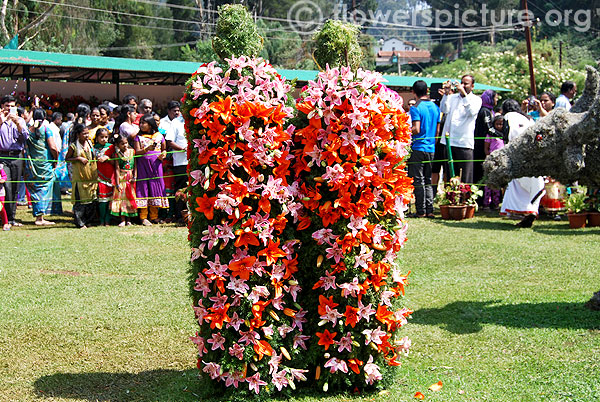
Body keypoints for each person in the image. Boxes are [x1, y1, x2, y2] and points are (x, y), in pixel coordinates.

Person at [498, 99, 545, 226]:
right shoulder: (528, 118)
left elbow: (507, 135)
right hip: (532, 154)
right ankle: (530, 211)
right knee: (530, 184)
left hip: (517, 154)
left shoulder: (508, 116)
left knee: (516, 184)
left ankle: (524, 211)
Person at [439, 75, 482, 184]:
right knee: (450, 175)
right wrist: (447, 94)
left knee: (465, 177)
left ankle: (465, 199)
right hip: (449, 142)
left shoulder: (476, 100)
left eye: (466, 84)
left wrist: (464, 95)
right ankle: (450, 199)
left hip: (464, 143)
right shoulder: (453, 98)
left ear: (472, 86)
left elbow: (471, 112)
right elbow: (444, 109)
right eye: (461, 83)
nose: (462, 85)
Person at [407, 81, 440, 218]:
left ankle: (420, 211)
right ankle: (429, 209)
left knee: (418, 179)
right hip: (431, 147)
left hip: (418, 147)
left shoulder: (415, 108)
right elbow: (437, 131)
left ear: (413, 92)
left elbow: (416, 128)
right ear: (426, 90)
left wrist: (404, 131)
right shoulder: (435, 107)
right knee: (428, 179)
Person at [23, 108, 59, 226]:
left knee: (35, 188)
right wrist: (55, 159)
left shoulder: (28, 130)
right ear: (44, 118)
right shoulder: (46, 129)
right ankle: (40, 218)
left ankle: (39, 215)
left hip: (32, 165)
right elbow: (53, 147)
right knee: (44, 188)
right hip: (44, 163)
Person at [133, 113, 168, 225]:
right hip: (143, 166)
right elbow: (136, 152)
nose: (141, 125)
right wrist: (146, 149)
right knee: (143, 188)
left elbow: (164, 149)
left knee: (155, 188)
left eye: (144, 123)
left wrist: (163, 154)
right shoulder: (138, 137)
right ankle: (143, 217)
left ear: (151, 124)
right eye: (140, 123)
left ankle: (154, 216)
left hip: (156, 166)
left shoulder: (159, 136)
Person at [0, 95, 29, 228]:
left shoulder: (20, 121)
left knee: (15, 188)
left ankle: (11, 218)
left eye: (12, 106)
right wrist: (2, 121)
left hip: (17, 156)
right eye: (7, 106)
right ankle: (4, 217)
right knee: (6, 186)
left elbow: (25, 137)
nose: (10, 109)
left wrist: (17, 123)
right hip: (3, 157)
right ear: (2, 107)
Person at [65, 124, 98, 228]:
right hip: (79, 177)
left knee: (91, 200)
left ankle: (89, 221)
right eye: (84, 134)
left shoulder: (90, 144)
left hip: (91, 176)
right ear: (78, 134)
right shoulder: (73, 146)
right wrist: (78, 159)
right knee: (80, 202)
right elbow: (67, 158)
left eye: (87, 133)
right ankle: (80, 222)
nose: (86, 135)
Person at [161, 101, 188, 223]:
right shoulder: (176, 122)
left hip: (193, 162)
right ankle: (179, 215)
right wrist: (182, 149)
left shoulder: (194, 121)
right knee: (180, 190)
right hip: (181, 162)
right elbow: (169, 141)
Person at [110, 134, 138, 226]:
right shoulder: (117, 154)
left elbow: (135, 166)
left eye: (126, 143)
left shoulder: (132, 152)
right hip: (122, 177)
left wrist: (135, 176)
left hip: (130, 177)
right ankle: (122, 219)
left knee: (130, 197)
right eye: (122, 144)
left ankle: (129, 219)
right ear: (118, 145)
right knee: (121, 197)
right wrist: (117, 183)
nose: (125, 145)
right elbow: (117, 169)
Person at [473, 89, 497, 186]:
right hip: (481, 146)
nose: (497, 100)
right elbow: (489, 128)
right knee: (479, 171)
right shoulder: (485, 111)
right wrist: (501, 135)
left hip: (483, 144)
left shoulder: (489, 110)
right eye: (495, 97)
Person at [483, 115, 506, 210]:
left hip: (501, 160)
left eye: (501, 124)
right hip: (492, 160)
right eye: (497, 124)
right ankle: (486, 203)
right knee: (488, 182)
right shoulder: (490, 134)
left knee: (497, 183)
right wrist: (488, 157)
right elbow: (486, 147)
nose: (499, 126)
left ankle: (496, 203)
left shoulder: (504, 134)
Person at [93, 128, 115, 226]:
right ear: (97, 138)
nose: (104, 139)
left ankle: (108, 220)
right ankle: (101, 219)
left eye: (106, 137)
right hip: (99, 175)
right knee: (102, 199)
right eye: (101, 137)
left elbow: (116, 162)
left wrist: (108, 158)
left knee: (110, 199)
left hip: (110, 175)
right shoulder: (93, 148)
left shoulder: (111, 147)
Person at [45, 112, 65, 215]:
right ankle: (54, 209)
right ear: (57, 119)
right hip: (54, 158)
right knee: (54, 184)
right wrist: (57, 160)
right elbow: (54, 147)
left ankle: (55, 208)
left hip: (55, 157)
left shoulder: (53, 128)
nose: (61, 122)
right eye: (60, 119)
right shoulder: (51, 128)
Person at [0, 162, 9, 230]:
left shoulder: (0, 167)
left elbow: (4, 176)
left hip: (0, 192)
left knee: (1, 208)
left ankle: (5, 223)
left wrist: (2, 179)